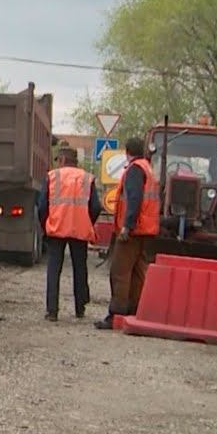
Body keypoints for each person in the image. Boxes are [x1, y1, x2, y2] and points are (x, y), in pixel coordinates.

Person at [96, 137, 160, 330]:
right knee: (138, 272)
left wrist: (127, 226)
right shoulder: (149, 169)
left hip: (133, 231)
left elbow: (134, 198)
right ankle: (134, 312)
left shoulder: (134, 170)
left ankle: (116, 315)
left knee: (120, 271)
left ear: (127, 152)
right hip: (146, 231)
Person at [38, 148, 102, 321]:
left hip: (57, 228)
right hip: (80, 230)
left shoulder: (52, 176)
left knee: (54, 269)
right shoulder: (87, 178)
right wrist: (87, 221)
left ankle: (52, 311)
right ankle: (80, 308)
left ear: (63, 159)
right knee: (80, 268)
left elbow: (42, 205)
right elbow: (96, 207)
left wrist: (45, 225)